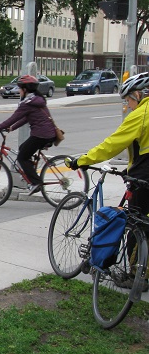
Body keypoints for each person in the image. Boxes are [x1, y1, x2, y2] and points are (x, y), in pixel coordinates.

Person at [65, 71, 149, 291]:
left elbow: (112, 144)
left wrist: (82, 160)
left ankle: (136, 276)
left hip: (144, 176)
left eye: (129, 100)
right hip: (141, 170)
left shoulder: (142, 114)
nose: (128, 105)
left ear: (139, 95)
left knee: (136, 224)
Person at [0, 74, 57, 196]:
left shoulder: (28, 103)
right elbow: (26, 118)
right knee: (23, 149)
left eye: (20, 89)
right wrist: (12, 128)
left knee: (22, 157)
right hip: (48, 133)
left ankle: (36, 182)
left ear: (25, 89)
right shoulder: (36, 100)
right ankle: (32, 174)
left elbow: (13, 118)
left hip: (41, 135)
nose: (19, 91)